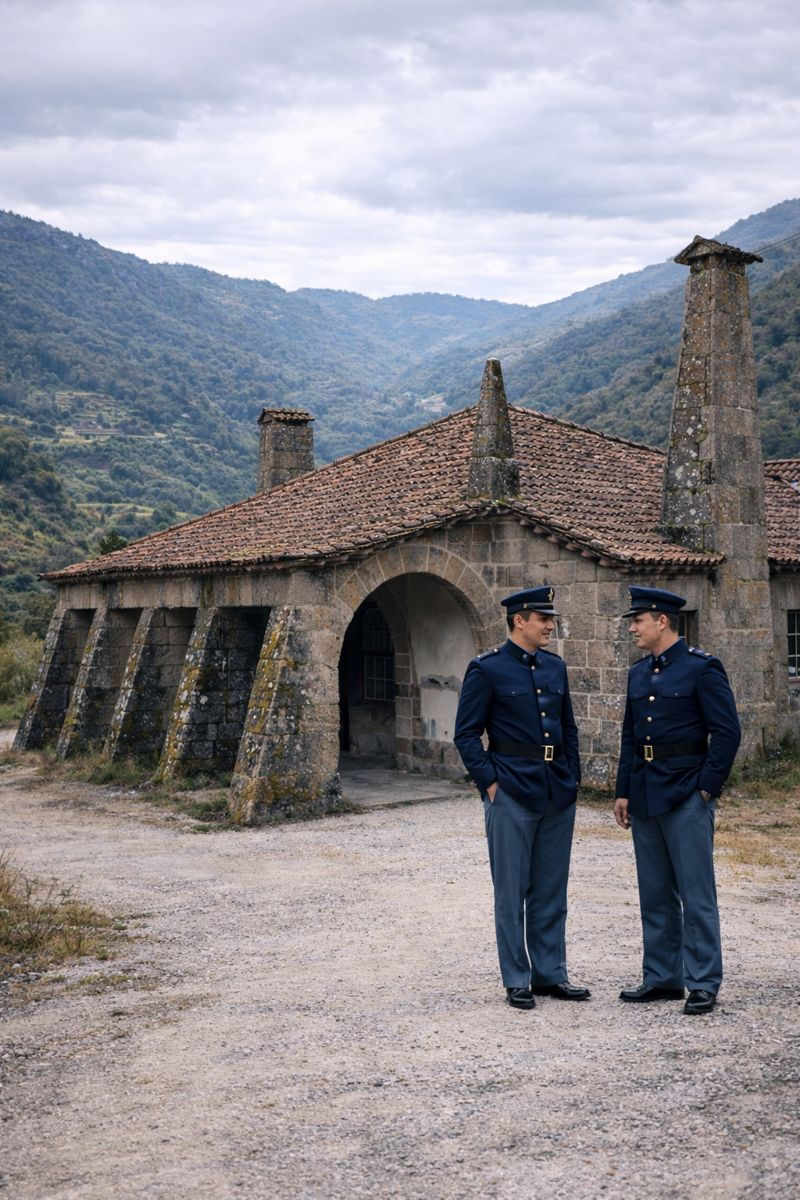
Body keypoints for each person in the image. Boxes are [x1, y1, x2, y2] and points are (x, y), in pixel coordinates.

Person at [454, 586, 589, 1010]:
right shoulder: (487, 669)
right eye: (543, 619)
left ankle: (551, 974)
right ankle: (517, 978)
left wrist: (572, 777)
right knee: (511, 892)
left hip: (556, 789)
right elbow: (466, 734)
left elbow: (568, 728)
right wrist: (490, 784)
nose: (550, 626)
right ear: (519, 621)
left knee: (551, 889)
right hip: (511, 788)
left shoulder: (554, 667)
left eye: (551, 619)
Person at [614, 586, 741, 1015]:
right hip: (646, 792)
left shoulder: (702, 669)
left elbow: (727, 732)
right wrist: (623, 790)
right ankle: (662, 977)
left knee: (695, 892)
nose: (633, 628)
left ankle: (702, 981)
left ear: (662, 621)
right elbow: (630, 737)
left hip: (687, 791)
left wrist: (706, 788)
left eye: (638, 621)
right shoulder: (637, 673)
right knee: (654, 892)